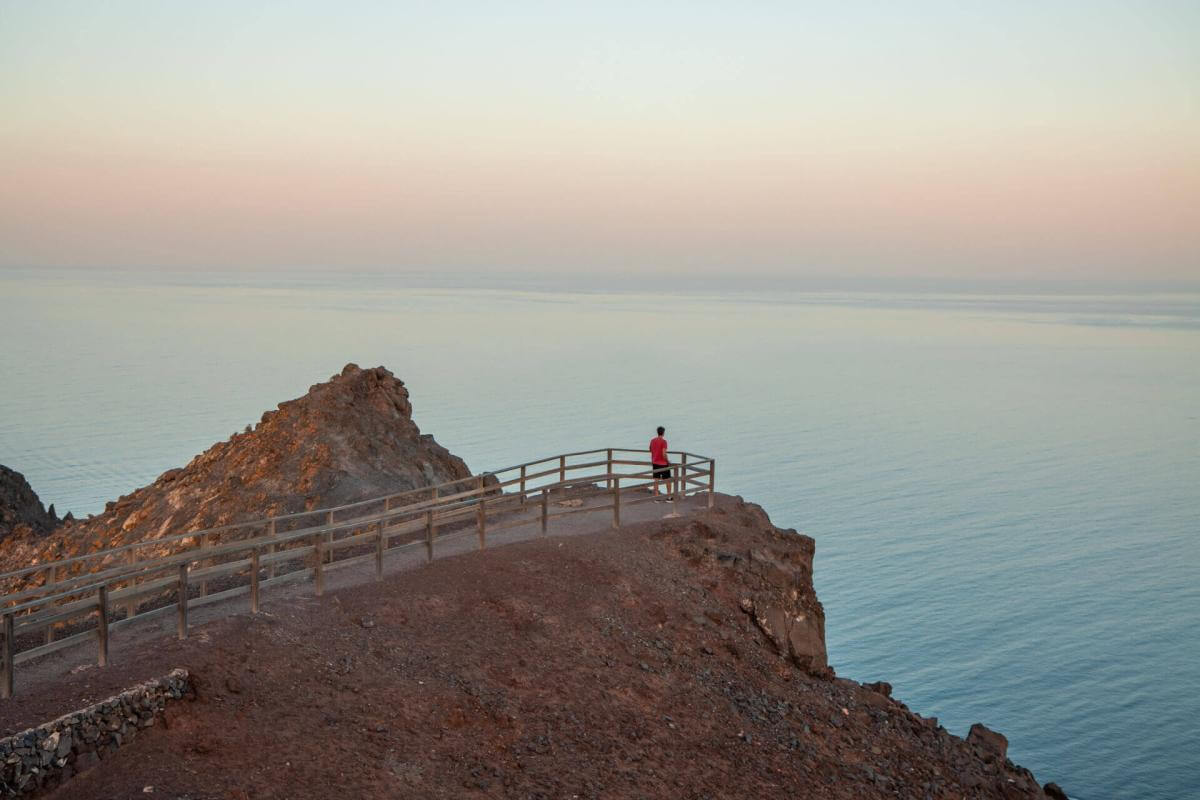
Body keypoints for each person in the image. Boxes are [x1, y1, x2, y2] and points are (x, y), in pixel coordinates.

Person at [650, 426, 670, 497]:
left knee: (656, 480)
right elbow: (664, 453)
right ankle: (669, 497)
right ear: (663, 433)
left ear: (657, 432)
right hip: (663, 463)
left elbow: (650, 449)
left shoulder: (652, 440)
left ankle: (656, 497)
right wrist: (668, 461)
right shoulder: (664, 442)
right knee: (667, 480)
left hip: (655, 462)